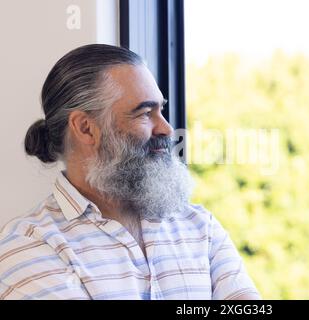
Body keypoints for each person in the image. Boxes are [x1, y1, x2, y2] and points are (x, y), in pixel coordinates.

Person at [0, 44, 260, 300]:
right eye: (146, 113)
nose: (167, 129)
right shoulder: (27, 246)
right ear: (86, 128)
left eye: (162, 110)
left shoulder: (199, 227)